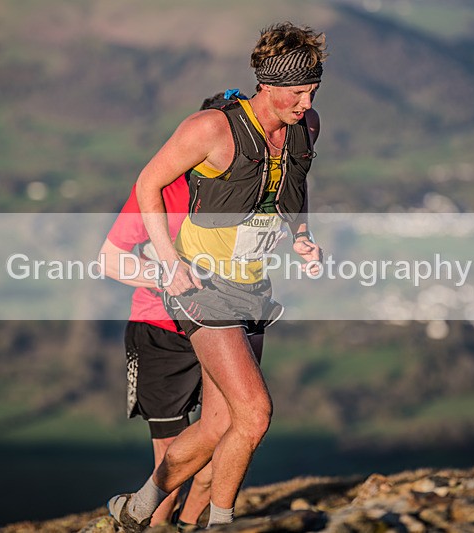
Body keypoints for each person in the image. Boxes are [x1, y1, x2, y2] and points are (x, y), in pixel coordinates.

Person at [106, 22, 326, 531]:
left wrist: (301, 237)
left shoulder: (306, 125)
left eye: (313, 89)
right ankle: (220, 524)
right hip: (203, 289)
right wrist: (168, 260)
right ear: (267, 85)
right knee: (256, 413)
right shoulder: (211, 128)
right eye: (297, 91)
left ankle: (138, 507)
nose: (306, 100)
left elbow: (293, 184)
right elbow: (148, 183)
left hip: (253, 288)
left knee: (221, 423)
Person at [99, 93, 251, 529]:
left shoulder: (243, 189)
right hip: (159, 328)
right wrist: (169, 276)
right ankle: (151, 524)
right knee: (170, 455)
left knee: (224, 433)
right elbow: (109, 259)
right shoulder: (163, 188)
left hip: (219, 322)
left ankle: (188, 524)